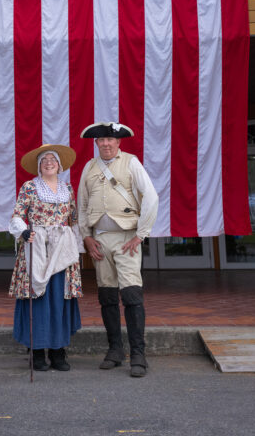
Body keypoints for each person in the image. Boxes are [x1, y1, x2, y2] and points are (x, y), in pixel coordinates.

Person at [78, 122, 158, 378]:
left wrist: (141, 234)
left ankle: (138, 354)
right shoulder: (89, 167)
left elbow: (151, 197)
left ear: (119, 142)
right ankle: (115, 350)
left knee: (132, 295)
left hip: (126, 239)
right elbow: (81, 206)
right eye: (101, 140)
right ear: (96, 143)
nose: (105, 144)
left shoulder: (131, 162)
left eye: (110, 140)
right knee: (107, 297)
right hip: (99, 241)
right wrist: (86, 238)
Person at [9, 143, 83, 372]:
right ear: (39, 166)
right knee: (39, 299)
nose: (49, 163)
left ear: (59, 165)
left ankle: (59, 352)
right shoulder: (30, 187)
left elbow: (73, 219)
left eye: (53, 160)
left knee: (59, 299)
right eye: (44, 160)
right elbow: (17, 215)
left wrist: (78, 246)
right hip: (37, 246)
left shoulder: (67, 189)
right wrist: (23, 231)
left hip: (62, 248)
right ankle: (37, 352)